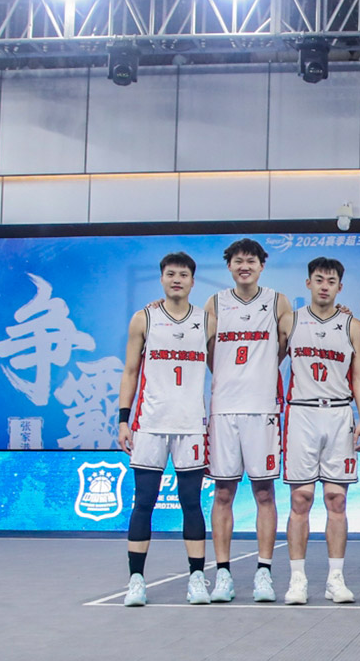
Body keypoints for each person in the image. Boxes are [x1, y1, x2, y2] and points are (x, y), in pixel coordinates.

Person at [115, 252, 213, 607]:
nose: (177, 280)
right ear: (161, 278)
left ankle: (197, 579)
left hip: (190, 426)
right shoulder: (144, 318)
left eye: (183, 275)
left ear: (192, 281)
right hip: (150, 424)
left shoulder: (207, 321)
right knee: (144, 502)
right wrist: (123, 419)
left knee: (192, 503)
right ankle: (136, 580)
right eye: (171, 274)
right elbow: (130, 371)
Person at [205, 238, 293, 603]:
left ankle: (264, 573)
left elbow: (287, 344)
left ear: (262, 266)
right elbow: (208, 351)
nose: (245, 266)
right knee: (223, 493)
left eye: (251, 261)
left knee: (264, 492)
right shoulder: (214, 303)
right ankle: (223, 575)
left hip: (262, 409)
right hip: (224, 409)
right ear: (229, 266)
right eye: (238, 261)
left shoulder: (277, 301)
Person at [281, 257, 360, 605]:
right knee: (300, 499)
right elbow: (268, 361)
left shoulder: (351, 325)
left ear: (340, 287)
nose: (324, 286)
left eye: (331, 281)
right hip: (301, 412)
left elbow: (359, 376)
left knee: (337, 499)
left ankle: (336, 579)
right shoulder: (290, 320)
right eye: (318, 280)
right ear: (308, 283)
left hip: (338, 413)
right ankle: (297, 580)